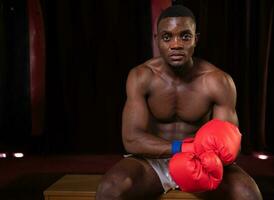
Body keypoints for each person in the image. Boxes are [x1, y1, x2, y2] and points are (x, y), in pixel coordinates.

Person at [96, 5, 262, 200]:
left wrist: (202, 158)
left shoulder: (217, 81)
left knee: (248, 194)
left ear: (195, 39)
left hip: (204, 163)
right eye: (167, 37)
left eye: (185, 36)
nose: (176, 44)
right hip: (152, 163)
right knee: (110, 189)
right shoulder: (142, 77)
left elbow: (231, 145)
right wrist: (183, 148)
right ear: (157, 40)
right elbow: (132, 139)